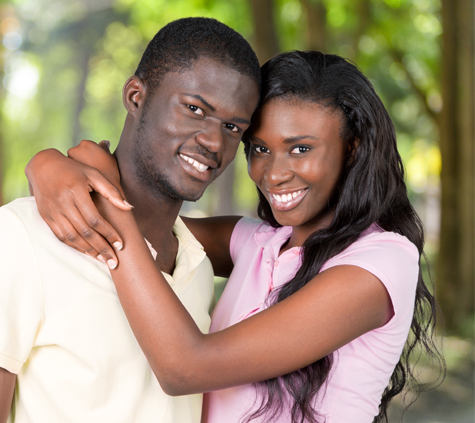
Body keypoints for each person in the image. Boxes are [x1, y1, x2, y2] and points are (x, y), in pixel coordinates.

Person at [25, 51, 443, 422]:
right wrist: (47, 166)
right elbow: (150, 227)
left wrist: (106, 202)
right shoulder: (258, 243)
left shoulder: (381, 262)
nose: (274, 173)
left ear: (351, 149)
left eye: (301, 149)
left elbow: (185, 367)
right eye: (260, 149)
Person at [0, 17, 261, 423]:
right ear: (136, 97)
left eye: (232, 127)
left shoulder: (197, 265)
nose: (214, 142)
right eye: (194, 109)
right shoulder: (18, 239)